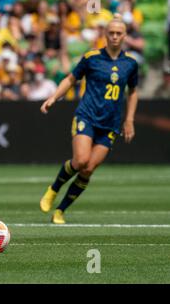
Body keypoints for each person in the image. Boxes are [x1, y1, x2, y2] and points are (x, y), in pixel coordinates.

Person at [39, 16, 139, 224]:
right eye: (111, 32)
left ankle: (60, 211)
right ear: (105, 34)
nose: (114, 36)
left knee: (88, 169)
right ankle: (53, 189)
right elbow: (70, 78)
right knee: (81, 160)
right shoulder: (92, 57)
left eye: (118, 33)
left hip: (110, 123)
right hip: (87, 116)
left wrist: (129, 119)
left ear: (124, 36)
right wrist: (53, 98)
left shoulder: (130, 63)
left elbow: (133, 92)